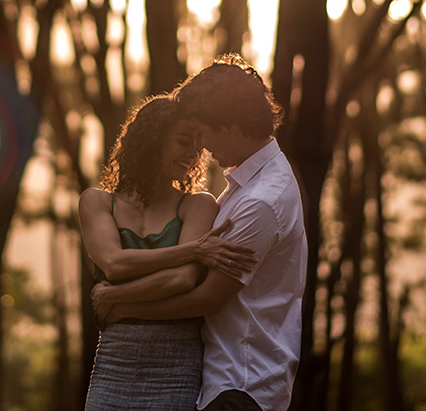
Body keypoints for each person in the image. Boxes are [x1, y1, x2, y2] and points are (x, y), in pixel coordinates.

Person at [94, 56, 307, 411]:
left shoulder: (261, 201)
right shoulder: (248, 185)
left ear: (231, 126)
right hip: (227, 381)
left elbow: (206, 298)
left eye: (203, 132)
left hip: (240, 384)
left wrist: (121, 307)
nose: (202, 147)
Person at [79, 93, 258, 411]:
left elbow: (182, 280)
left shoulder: (198, 204)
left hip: (176, 371)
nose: (192, 155)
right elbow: (115, 264)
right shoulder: (96, 201)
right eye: (183, 142)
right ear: (152, 140)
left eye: (198, 147)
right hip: (111, 366)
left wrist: (114, 299)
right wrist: (195, 249)